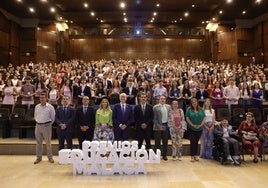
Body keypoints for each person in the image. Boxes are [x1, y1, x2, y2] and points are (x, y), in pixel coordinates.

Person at [33, 92, 55, 164]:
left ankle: (50, 158)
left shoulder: (50, 107)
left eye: (43, 98)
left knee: (48, 143)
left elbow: (53, 118)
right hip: (38, 126)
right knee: (38, 143)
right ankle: (38, 158)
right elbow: (35, 116)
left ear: (46, 98)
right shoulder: (37, 107)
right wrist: (38, 122)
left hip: (47, 126)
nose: (42, 99)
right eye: (40, 98)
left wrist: (47, 124)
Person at [186, 97, 205, 162]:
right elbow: (187, 118)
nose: (194, 103)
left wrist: (201, 125)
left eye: (195, 102)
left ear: (197, 102)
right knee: (193, 142)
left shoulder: (201, 109)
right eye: (193, 102)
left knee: (196, 142)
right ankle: (192, 156)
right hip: (191, 128)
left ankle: (195, 155)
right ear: (191, 103)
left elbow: (204, 118)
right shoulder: (189, 109)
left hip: (199, 128)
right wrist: (193, 125)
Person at [153, 95, 171, 160]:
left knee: (165, 141)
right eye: (161, 99)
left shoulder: (168, 107)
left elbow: (170, 116)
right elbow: (154, 118)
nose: (162, 100)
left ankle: (164, 155)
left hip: (165, 125)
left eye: (164, 99)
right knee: (157, 142)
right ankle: (157, 155)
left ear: (165, 100)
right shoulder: (155, 107)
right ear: (159, 100)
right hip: (158, 126)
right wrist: (159, 126)